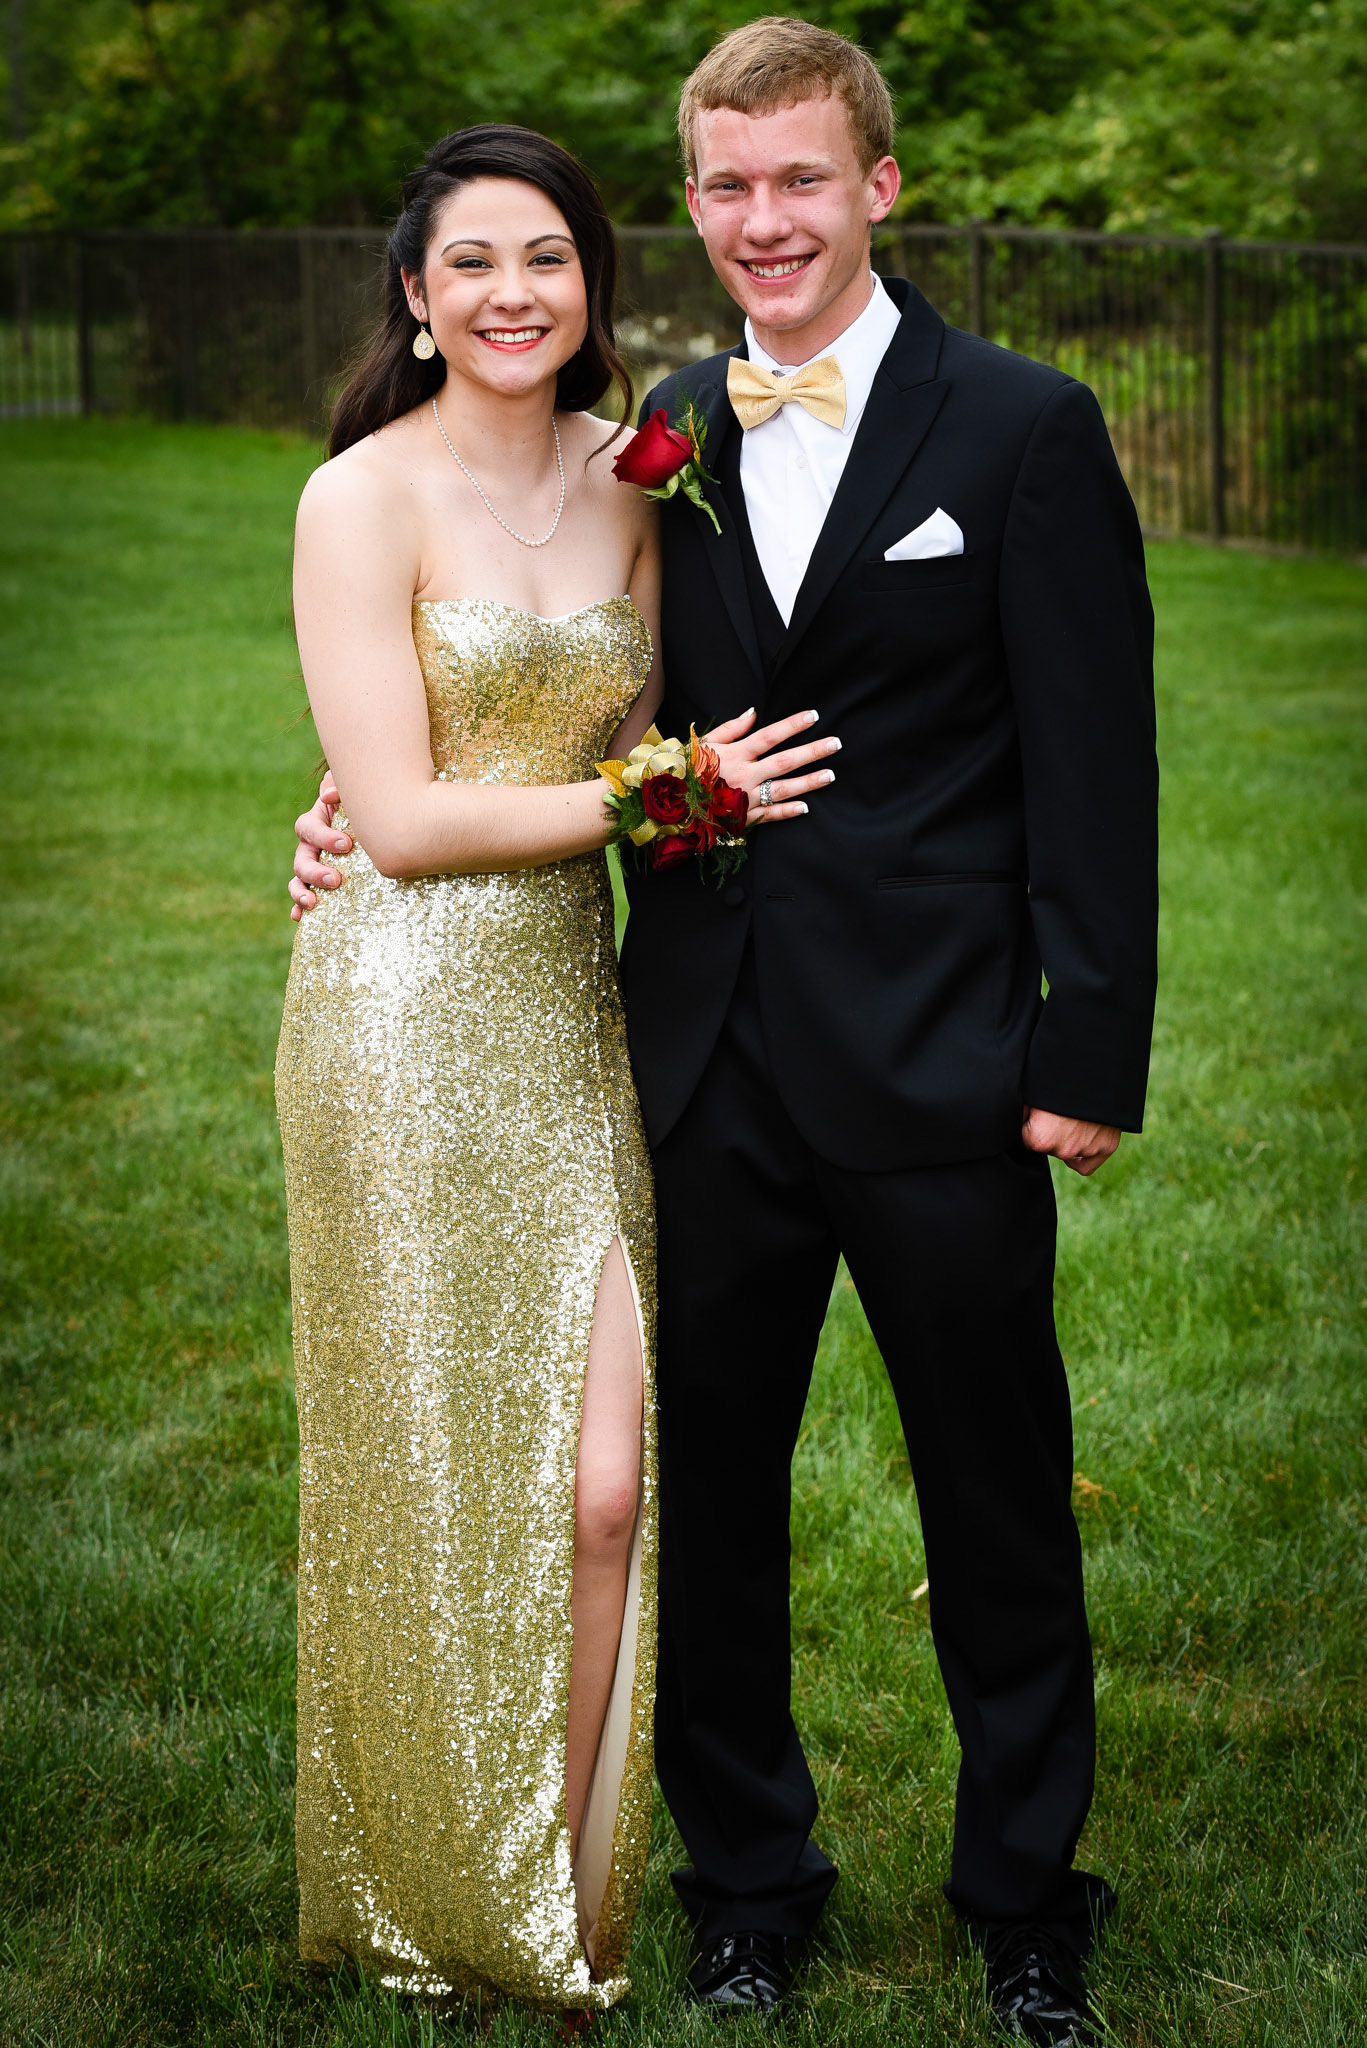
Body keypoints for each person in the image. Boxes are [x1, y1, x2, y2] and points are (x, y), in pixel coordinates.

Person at [293, 21, 1159, 2043]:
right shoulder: (659, 434)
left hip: (943, 1063)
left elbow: (1097, 760)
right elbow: (542, 704)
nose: (765, 218)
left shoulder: (1023, 427)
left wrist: (1087, 1049)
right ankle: (747, 1883)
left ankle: (1027, 1897)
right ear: (692, 202)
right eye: (728, 185)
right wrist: (344, 808)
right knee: (707, 1503)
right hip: (689, 1060)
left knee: (997, 1495)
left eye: (801, 179)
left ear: (877, 189)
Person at [274, 121, 836, 2012]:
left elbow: (648, 743)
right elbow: (412, 821)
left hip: (573, 1009)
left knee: (605, 1486)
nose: (514, 293)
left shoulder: (641, 477)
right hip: (398, 1014)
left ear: (592, 283)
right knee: (429, 1467)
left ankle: (570, 1900)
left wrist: (674, 787)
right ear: (415, 298)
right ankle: (440, 1893)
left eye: (549, 257)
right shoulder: (358, 497)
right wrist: (674, 791)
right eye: (473, 263)